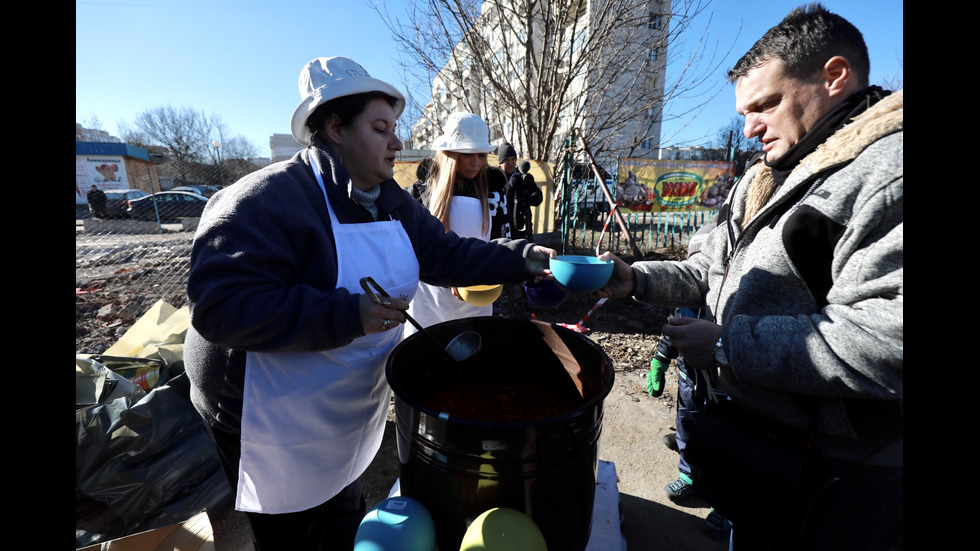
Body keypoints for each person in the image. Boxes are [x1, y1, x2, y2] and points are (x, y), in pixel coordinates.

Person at [183, 57, 555, 551]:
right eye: (381, 129)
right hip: (265, 409)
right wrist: (346, 315)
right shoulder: (268, 199)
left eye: (394, 129)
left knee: (343, 506)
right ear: (335, 128)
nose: (397, 143)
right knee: (293, 531)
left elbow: (445, 254)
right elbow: (220, 306)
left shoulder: (390, 200)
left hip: (342, 394)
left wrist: (526, 258)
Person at [594, 4, 902, 549]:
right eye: (742, 112)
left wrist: (726, 344)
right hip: (766, 451)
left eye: (765, 105)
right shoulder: (766, 175)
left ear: (834, 77)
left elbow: (886, 342)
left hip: (844, 473)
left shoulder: (887, 171)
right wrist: (633, 280)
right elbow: (707, 268)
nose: (749, 127)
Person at [646, 220, 731, 540]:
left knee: (725, 442)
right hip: (689, 382)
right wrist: (659, 360)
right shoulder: (687, 301)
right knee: (687, 426)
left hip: (724, 387)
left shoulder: (726, 304)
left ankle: (725, 504)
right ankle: (689, 476)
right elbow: (673, 331)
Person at [404, 112, 511, 337]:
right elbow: (408, 250)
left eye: (482, 155)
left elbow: (502, 244)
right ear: (450, 154)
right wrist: (446, 275)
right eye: (467, 154)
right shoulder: (420, 192)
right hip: (429, 299)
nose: (476, 162)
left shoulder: (494, 194)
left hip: (477, 294)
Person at [512, 160, 543, 241]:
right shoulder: (500, 177)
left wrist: (530, 198)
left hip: (525, 227)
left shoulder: (524, 178)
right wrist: (511, 186)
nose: (510, 163)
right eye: (507, 160)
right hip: (509, 229)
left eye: (513, 159)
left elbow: (537, 196)